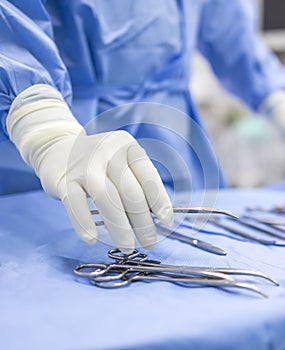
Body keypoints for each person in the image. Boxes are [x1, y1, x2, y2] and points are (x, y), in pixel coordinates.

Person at [1, 0, 285, 253]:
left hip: (176, 141)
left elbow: (225, 24)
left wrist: (275, 95)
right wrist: (46, 129)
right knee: (63, 256)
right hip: (66, 149)